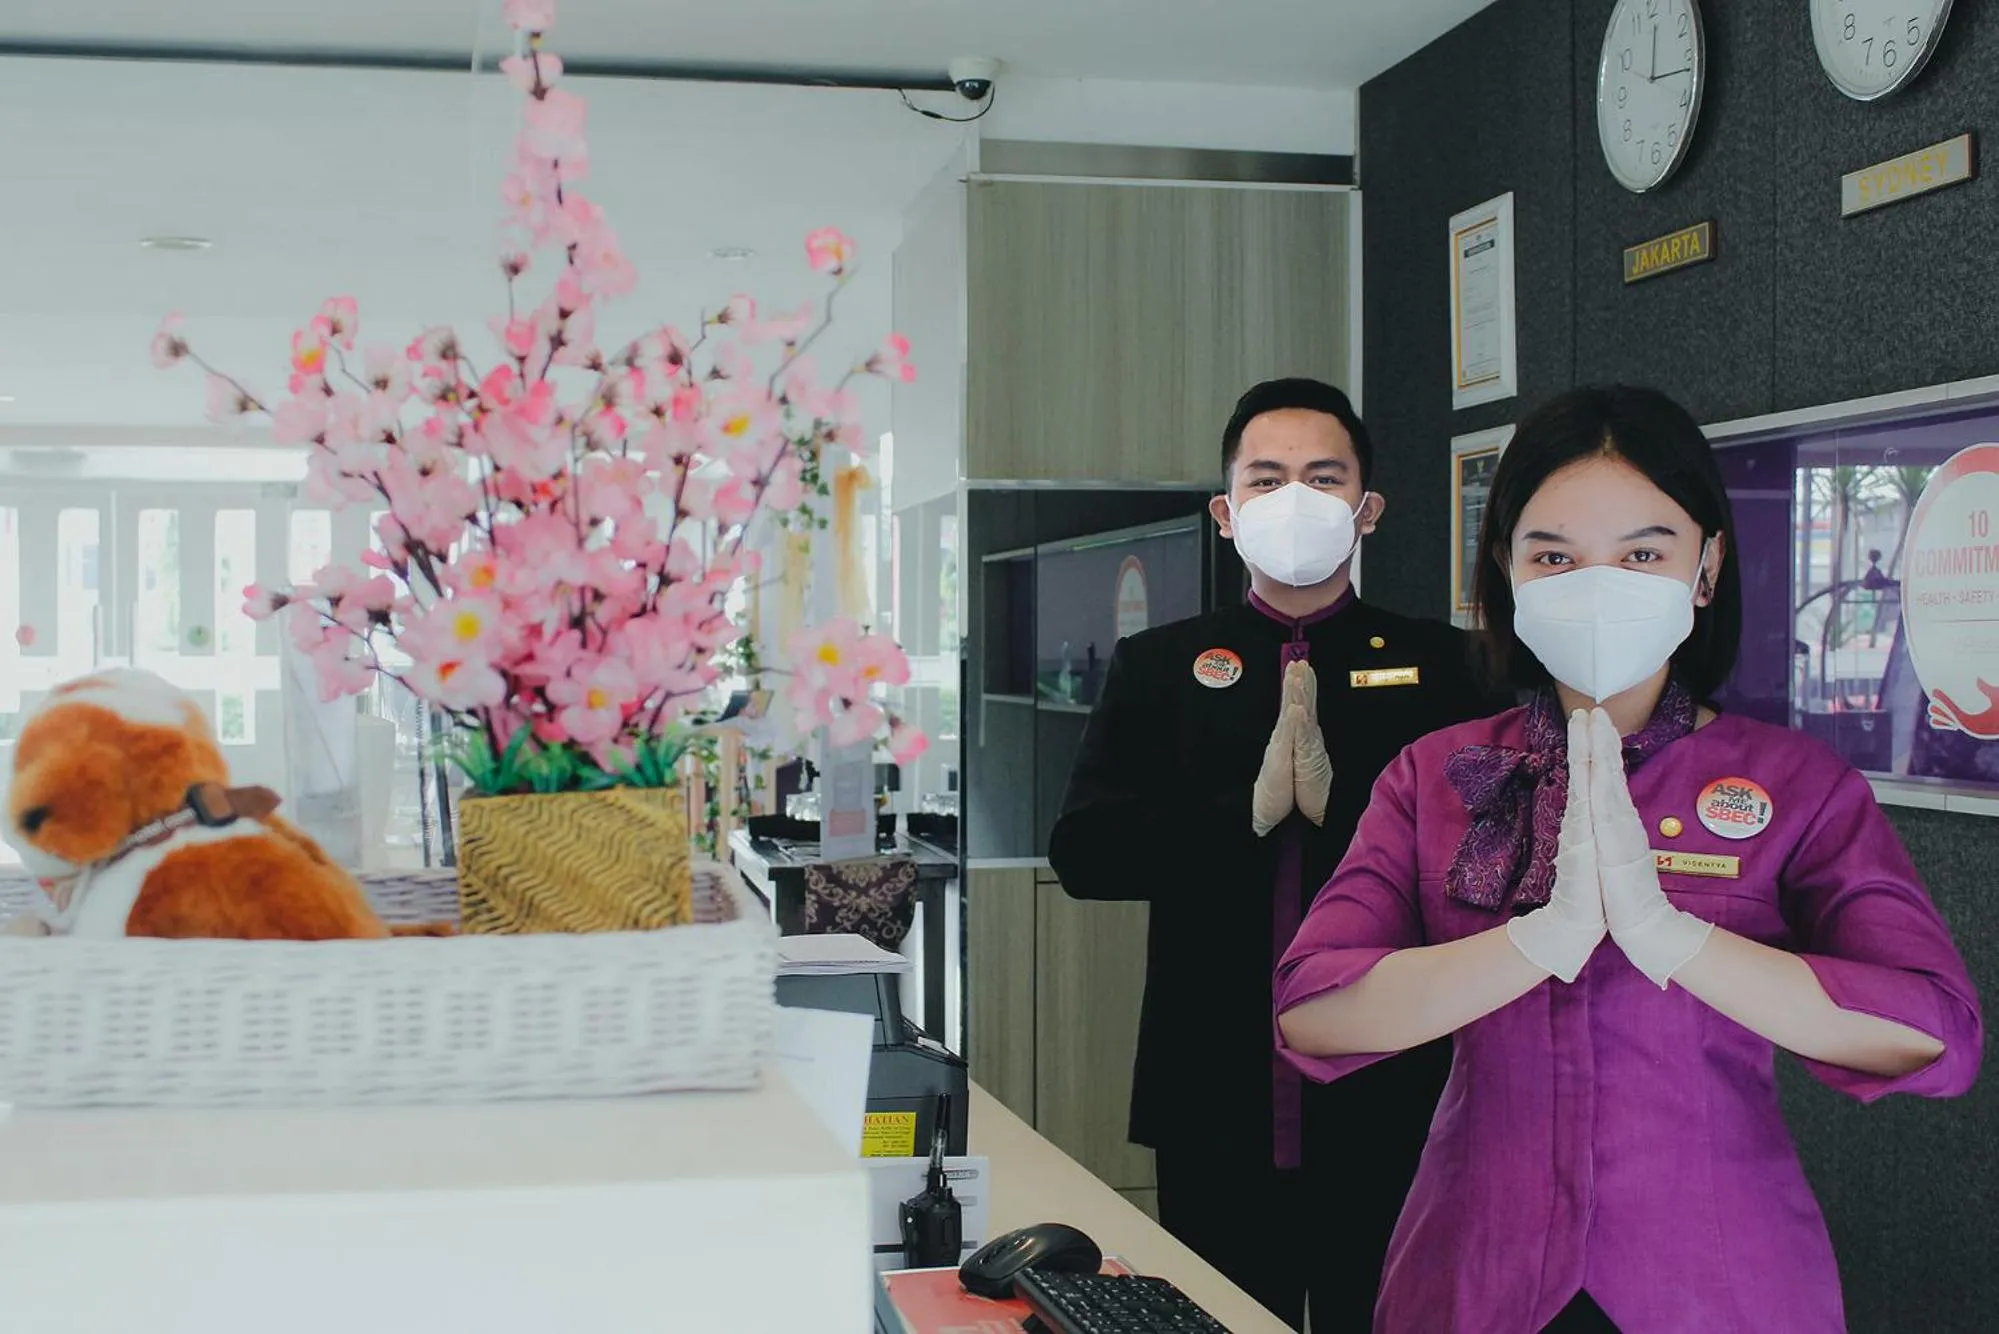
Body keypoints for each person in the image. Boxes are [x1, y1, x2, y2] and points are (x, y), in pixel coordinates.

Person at [1274, 385, 1983, 1333]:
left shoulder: (1794, 784)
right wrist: (1535, 943)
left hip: (1717, 1273)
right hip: (1474, 1265)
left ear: (1705, 566)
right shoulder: (1434, 776)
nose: (1595, 583)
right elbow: (1313, 1012)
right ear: (1507, 569)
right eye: (1554, 555)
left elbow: (1934, 1033)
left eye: (1642, 553)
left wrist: (1670, 938)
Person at [1048, 378, 1503, 1332]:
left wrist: (1347, 818)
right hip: (1212, 1077)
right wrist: (1240, 815)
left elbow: (1491, 867)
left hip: (1396, 1079)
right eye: (1266, 478)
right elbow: (1085, 854)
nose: (1293, 497)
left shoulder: (1449, 667)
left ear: (1365, 508)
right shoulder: (1161, 665)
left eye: (1322, 476)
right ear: (1225, 511)